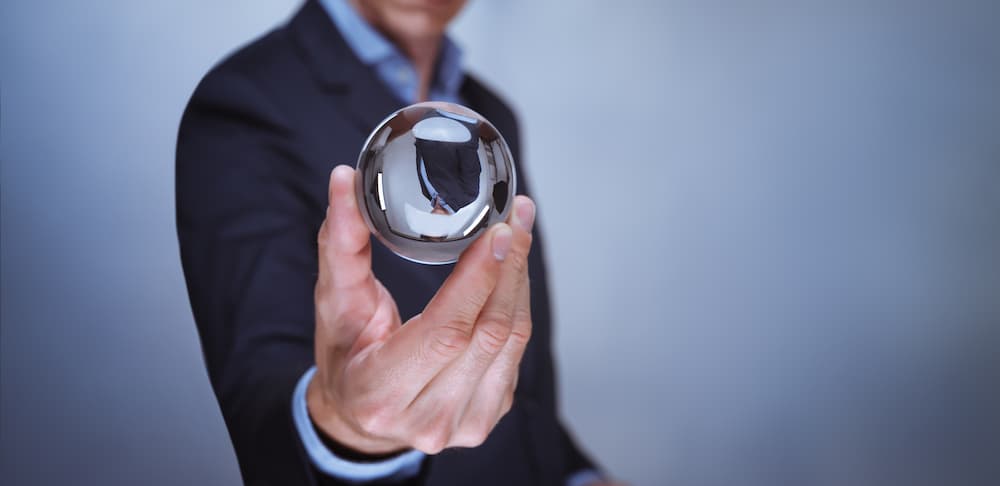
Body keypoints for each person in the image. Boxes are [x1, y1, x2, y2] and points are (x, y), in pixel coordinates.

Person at [176, 0, 617, 484]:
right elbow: (264, 396)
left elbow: (523, 382)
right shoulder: (245, 100)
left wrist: (581, 476)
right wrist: (351, 431)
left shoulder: (492, 115)